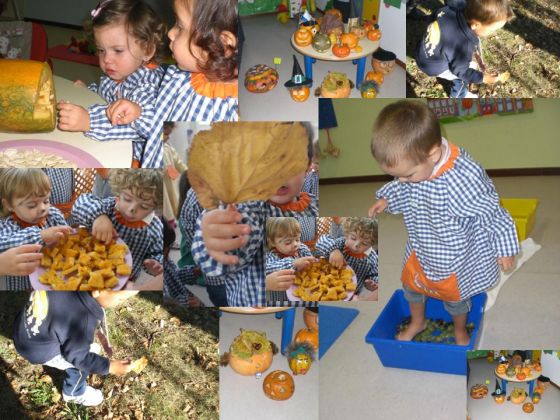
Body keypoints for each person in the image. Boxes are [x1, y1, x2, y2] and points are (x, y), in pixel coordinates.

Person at [368, 101, 518, 344]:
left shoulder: (463, 178)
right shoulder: (416, 165)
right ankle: (418, 322)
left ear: (434, 155)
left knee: (455, 299)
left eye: (407, 176)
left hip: (455, 254)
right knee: (411, 287)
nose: (402, 182)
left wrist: (505, 247)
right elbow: (402, 186)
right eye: (395, 176)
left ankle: (460, 330)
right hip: (422, 242)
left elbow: (492, 211)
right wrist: (387, 198)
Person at [191, 123, 318, 307]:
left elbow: (306, 253)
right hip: (252, 307)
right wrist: (215, 242)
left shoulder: (314, 205)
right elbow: (218, 264)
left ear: (307, 166)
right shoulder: (247, 208)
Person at [107, 0, 239, 168]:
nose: (170, 33)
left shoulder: (233, 113)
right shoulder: (178, 78)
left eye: (180, 26)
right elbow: (157, 129)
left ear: (222, 44)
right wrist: (139, 114)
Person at [57, 0, 166, 167]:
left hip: (139, 158)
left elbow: (140, 124)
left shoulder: (149, 84)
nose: (107, 59)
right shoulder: (118, 73)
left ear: (148, 50)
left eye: (118, 50)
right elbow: (106, 94)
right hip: (113, 145)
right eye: (101, 50)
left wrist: (89, 121)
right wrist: (88, 92)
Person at [13, 291, 139, 407]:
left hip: (22, 329)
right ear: (98, 291)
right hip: (35, 350)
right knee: (83, 360)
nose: (121, 302)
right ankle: (74, 393)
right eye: (121, 298)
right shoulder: (82, 320)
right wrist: (110, 366)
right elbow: (79, 358)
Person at [72, 169, 164, 288]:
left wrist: (156, 263)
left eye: (144, 206)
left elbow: (157, 252)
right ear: (118, 193)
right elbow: (80, 203)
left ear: (155, 207)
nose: (132, 209)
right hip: (90, 268)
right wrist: (99, 217)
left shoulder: (155, 229)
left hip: (124, 278)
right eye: (127, 199)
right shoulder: (107, 207)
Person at [415, 0, 514, 98]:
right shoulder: (464, 44)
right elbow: (461, 71)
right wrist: (483, 78)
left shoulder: (447, 10)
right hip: (432, 66)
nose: (494, 32)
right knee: (462, 78)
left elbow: (432, 19)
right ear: (475, 25)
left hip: (421, 51)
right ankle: (459, 95)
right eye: (493, 29)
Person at [0, 169, 72, 290]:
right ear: (9, 205)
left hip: (52, 280)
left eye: (46, 200)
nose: (43, 208)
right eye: (32, 205)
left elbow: (65, 242)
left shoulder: (53, 215)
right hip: (20, 286)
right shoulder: (7, 226)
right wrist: (40, 235)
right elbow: (4, 244)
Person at [315, 217, 379, 298]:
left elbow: (375, 275)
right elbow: (321, 240)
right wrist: (334, 250)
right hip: (328, 288)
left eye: (365, 243)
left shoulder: (372, 258)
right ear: (347, 234)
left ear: (372, 244)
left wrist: (373, 283)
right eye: (353, 238)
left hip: (352, 293)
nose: (356, 245)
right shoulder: (340, 244)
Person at [265, 217, 317, 306]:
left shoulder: (302, 249)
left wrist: (311, 262)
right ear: (273, 242)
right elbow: (268, 268)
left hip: (301, 291)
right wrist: (293, 263)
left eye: (297, 239)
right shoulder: (272, 256)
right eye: (288, 242)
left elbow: (310, 263)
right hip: (281, 296)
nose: (295, 244)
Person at [162, 216, 202, 306]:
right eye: (165, 249)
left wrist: (192, 272)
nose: (168, 251)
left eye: (170, 246)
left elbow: (175, 275)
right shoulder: (155, 276)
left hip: (184, 296)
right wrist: (184, 303)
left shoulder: (165, 260)